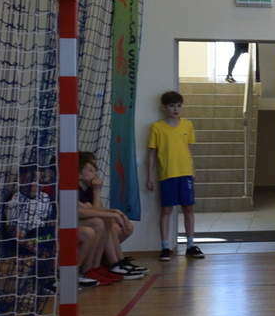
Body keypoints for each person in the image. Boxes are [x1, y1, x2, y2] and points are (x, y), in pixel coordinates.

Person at [145, 90, 202, 261]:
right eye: (172, 106)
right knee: (166, 209)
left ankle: (190, 245)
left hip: (185, 172)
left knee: (188, 208)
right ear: (164, 107)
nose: (176, 109)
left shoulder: (187, 125)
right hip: (167, 173)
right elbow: (152, 153)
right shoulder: (157, 127)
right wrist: (150, 176)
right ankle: (165, 247)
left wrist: (193, 170)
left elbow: (188, 148)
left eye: (179, 106)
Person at [76, 153, 144, 285]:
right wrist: (98, 192)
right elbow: (91, 212)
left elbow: (97, 210)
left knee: (115, 224)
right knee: (100, 223)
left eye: (96, 169)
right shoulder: (73, 188)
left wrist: (116, 213)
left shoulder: (87, 188)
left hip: (83, 222)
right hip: (67, 226)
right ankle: (94, 267)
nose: (95, 173)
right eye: (90, 170)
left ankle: (110, 264)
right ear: (78, 174)